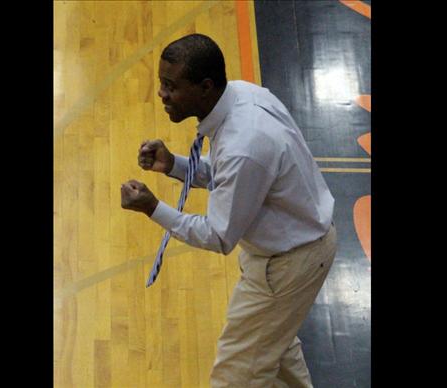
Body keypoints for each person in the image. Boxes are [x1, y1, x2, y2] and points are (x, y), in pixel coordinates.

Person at [121, 33, 337, 388]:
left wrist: (152, 208)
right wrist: (173, 164)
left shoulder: (244, 143)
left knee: (236, 377)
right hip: (294, 251)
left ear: (205, 87)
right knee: (275, 355)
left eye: (170, 86)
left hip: (287, 266)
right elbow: (236, 179)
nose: (161, 94)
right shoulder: (243, 95)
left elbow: (218, 235)